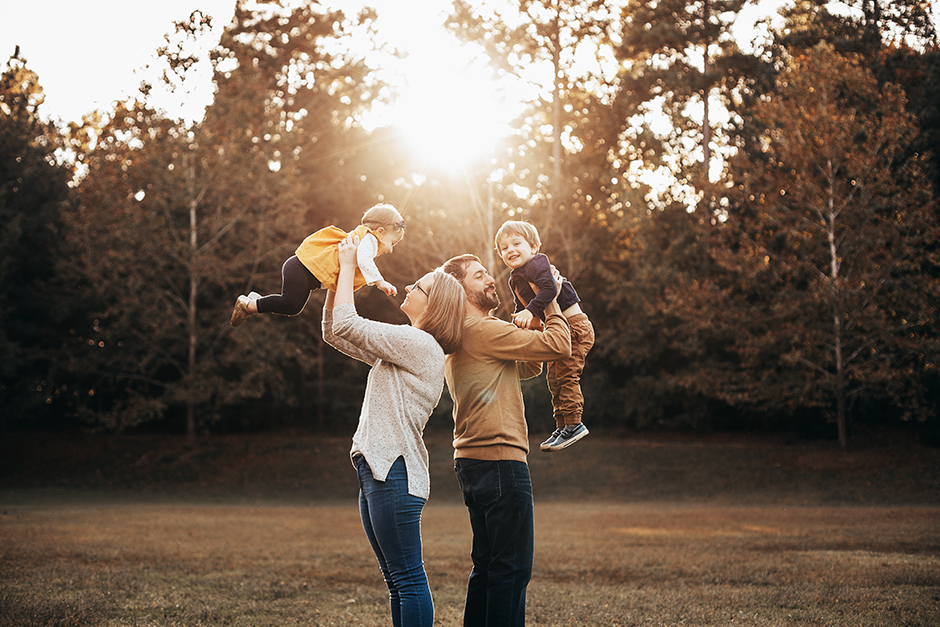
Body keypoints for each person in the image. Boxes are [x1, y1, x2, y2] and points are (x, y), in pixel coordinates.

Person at [322, 234, 465, 627]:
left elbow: (349, 323)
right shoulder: (407, 347)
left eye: (418, 286)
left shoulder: (420, 344)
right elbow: (335, 332)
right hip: (379, 471)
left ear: (434, 303)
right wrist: (338, 280)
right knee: (397, 580)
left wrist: (350, 263)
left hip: (394, 474)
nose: (408, 286)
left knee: (406, 577)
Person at [441, 253, 571, 627]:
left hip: (473, 462)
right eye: (479, 275)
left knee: (487, 567)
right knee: (511, 570)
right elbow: (559, 346)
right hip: (500, 464)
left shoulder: (467, 333)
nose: (489, 279)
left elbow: (530, 363)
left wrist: (527, 316)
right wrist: (553, 298)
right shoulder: (482, 330)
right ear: (459, 288)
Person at [494, 220, 595, 452]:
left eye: (516, 243)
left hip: (574, 327)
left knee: (566, 375)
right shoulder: (515, 277)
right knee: (554, 378)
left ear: (533, 247)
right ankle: (562, 426)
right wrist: (520, 317)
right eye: (504, 248)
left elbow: (549, 290)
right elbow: (524, 305)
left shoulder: (539, 263)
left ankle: (574, 423)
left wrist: (530, 311)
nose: (510, 250)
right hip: (558, 329)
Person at [230, 203, 406, 327]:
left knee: (293, 307)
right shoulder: (370, 239)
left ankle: (254, 301)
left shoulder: (363, 238)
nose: (390, 249)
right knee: (290, 304)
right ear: (381, 232)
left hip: (302, 271)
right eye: (393, 243)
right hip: (301, 269)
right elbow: (364, 259)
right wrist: (380, 282)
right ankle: (247, 305)